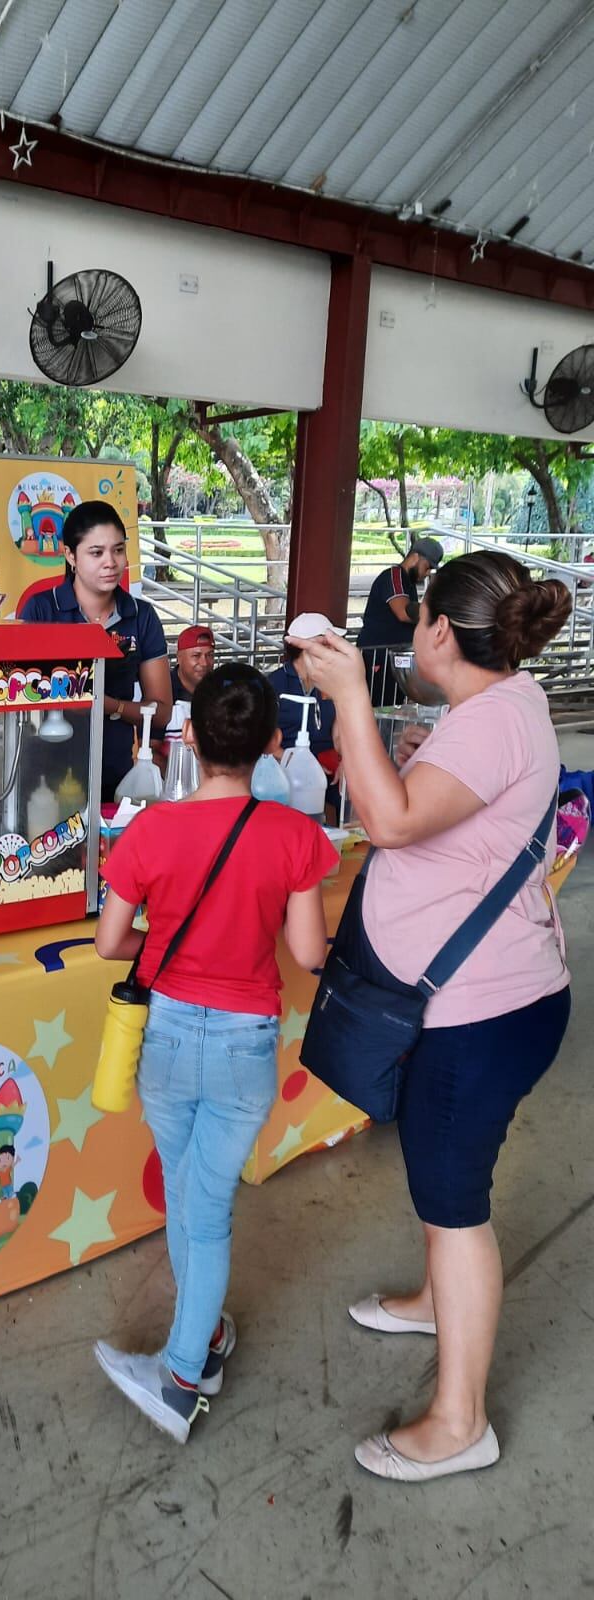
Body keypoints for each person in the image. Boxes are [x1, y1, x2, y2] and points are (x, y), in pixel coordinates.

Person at [290, 550, 572, 1483]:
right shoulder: (502, 703)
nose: (409, 632)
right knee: (435, 1170)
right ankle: (430, 1302)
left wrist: (350, 700)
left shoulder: (489, 725)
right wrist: (414, 757)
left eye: (417, 619)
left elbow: (396, 823)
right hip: (485, 1001)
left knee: (457, 1208)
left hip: (479, 1012)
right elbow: (444, 800)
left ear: (443, 633)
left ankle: (461, 1422)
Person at [91, 665, 338, 1441]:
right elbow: (308, 953)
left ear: (188, 735)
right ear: (271, 744)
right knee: (204, 1203)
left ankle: (181, 1376)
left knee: (191, 1201)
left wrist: (161, 945)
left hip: (165, 1034)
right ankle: (205, 1337)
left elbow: (109, 943)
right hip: (245, 1045)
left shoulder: (150, 830)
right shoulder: (295, 836)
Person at [18, 501, 171, 801]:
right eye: (96, 552)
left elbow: (161, 712)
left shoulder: (141, 616)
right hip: (44, 773)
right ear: (70, 555)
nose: (111, 562)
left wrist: (109, 705)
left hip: (118, 772)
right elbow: (18, 696)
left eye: (118, 550)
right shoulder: (40, 609)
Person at [357, 536, 443, 705]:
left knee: (390, 706)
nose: (426, 574)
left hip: (391, 660)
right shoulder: (394, 576)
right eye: (427, 567)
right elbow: (403, 612)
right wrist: (434, 612)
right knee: (377, 706)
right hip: (377, 657)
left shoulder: (407, 583)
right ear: (416, 557)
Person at [267, 611, 342, 756]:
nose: (333, 650)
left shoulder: (333, 681)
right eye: (326, 644)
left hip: (327, 762)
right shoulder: (275, 683)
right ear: (303, 646)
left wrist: (345, 760)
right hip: (283, 766)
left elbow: (340, 731)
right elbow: (263, 738)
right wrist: (293, 763)